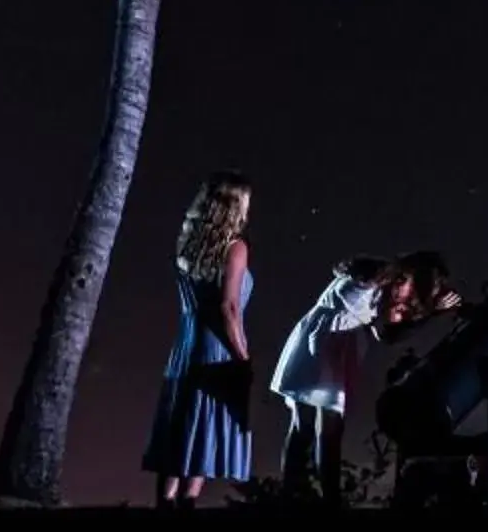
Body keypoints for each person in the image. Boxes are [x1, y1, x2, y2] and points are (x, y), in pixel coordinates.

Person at [143, 171, 256, 508]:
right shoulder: (235, 248)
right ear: (233, 207)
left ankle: (165, 503)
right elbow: (229, 307)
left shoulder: (187, 244)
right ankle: (188, 503)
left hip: (184, 345)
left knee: (180, 430)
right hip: (215, 347)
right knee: (203, 430)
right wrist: (242, 354)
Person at [270, 255, 394, 504]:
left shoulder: (349, 286)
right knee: (326, 427)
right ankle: (326, 496)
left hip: (318, 344)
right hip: (326, 347)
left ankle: (293, 491)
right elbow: (380, 329)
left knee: (305, 425)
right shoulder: (362, 290)